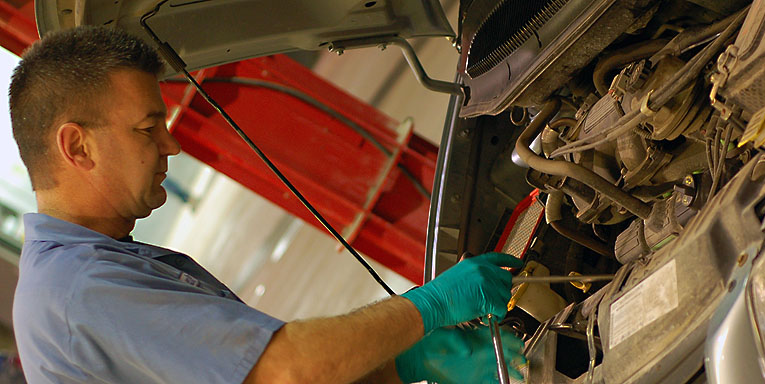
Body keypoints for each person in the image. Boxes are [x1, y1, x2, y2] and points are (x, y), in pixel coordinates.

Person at [10, 26, 525, 384]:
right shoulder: (79, 292)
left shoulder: (93, 268)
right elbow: (285, 371)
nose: (171, 146)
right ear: (77, 147)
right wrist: (428, 307)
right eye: (148, 128)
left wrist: (404, 362)